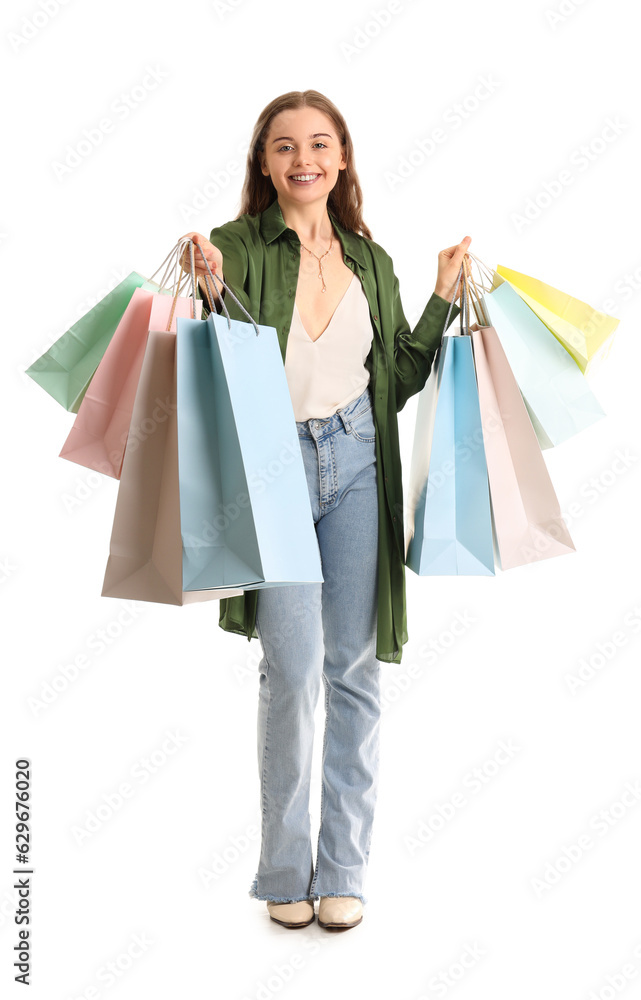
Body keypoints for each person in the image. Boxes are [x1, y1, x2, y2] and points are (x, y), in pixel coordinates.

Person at [179, 89, 470, 932]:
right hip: (270, 470)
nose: (301, 157)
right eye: (282, 146)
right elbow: (215, 363)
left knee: (352, 671)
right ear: (263, 164)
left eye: (317, 143)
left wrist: (443, 296)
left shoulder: (369, 261)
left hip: (355, 463)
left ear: (341, 157)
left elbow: (402, 379)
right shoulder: (233, 247)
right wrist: (205, 291)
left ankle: (342, 868)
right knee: (293, 672)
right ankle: (283, 876)